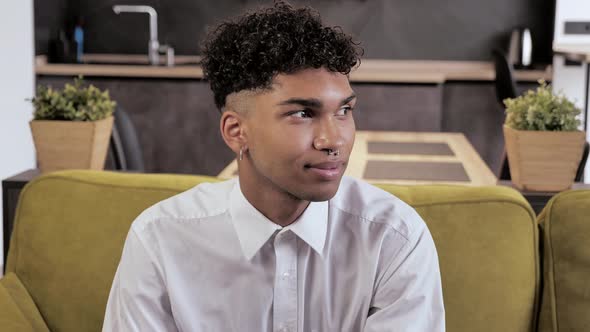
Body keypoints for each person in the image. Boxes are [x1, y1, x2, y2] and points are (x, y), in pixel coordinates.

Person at [102, 2, 445, 331]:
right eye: (302, 113)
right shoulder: (159, 241)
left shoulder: (393, 239)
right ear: (236, 132)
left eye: (344, 111)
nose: (333, 140)